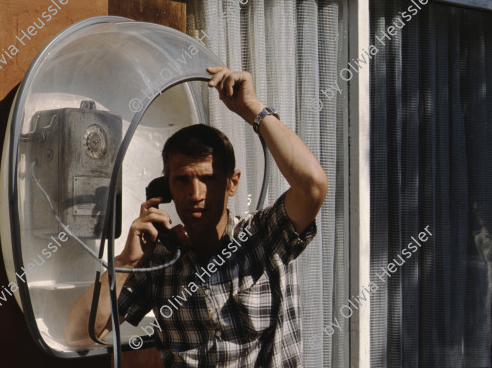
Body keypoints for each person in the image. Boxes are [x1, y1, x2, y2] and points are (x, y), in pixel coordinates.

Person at [64, 66, 328, 367]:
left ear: (232, 182)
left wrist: (252, 109)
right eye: (182, 181)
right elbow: (78, 334)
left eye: (209, 179)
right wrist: (126, 262)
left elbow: (313, 185)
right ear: (165, 189)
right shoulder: (160, 263)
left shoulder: (262, 236)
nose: (196, 194)